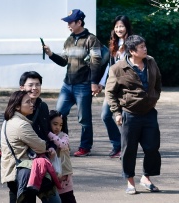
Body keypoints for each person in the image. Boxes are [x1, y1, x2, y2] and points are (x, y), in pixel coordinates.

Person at [105, 34, 163, 195]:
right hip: (129, 114)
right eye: (141, 47)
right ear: (132, 51)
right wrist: (116, 113)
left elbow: (158, 82)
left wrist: (154, 98)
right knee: (129, 149)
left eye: (145, 46)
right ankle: (130, 181)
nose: (145, 49)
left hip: (149, 112)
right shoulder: (118, 68)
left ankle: (146, 177)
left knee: (152, 147)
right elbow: (110, 93)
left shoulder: (151, 62)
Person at [43, 8, 104, 157]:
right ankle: (61, 144)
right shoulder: (69, 40)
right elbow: (64, 62)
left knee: (84, 118)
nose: (68, 25)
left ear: (79, 22)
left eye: (70, 22)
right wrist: (51, 54)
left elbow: (96, 62)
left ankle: (85, 147)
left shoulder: (91, 39)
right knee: (58, 115)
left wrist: (94, 82)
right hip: (67, 85)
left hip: (83, 85)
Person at [0, 91, 61, 203]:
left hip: (13, 172)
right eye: (28, 102)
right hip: (26, 172)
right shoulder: (21, 124)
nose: (32, 104)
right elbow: (41, 147)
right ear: (17, 106)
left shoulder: (8, 121)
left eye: (32, 101)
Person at [99, 15, 132, 159]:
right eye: (117, 26)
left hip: (126, 87)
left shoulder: (132, 43)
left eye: (122, 26)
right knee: (106, 115)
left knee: (123, 118)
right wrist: (101, 83)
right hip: (112, 86)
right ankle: (117, 144)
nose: (119, 29)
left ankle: (127, 147)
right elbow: (109, 66)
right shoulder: (113, 43)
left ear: (127, 27)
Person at [19, 71, 57, 149]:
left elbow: (47, 131)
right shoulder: (16, 107)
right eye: (30, 85)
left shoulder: (43, 106)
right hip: (23, 152)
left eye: (37, 84)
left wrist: (52, 147)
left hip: (42, 149)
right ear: (22, 88)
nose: (35, 88)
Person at [46, 112, 76, 203]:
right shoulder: (45, 139)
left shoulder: (64, 136)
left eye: (60, 125)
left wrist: (49, 134)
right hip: (53, 176)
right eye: (55, 124)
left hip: (65, 175)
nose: (58, 127)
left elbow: (61, 145)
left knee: (68, 198)